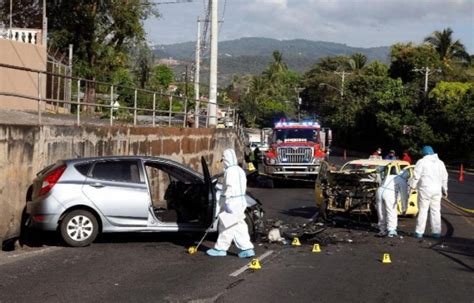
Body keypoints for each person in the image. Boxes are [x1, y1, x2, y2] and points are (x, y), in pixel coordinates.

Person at [207, 149, 255, 258]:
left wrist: (227, 202)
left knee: (226, 225)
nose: (223, 161)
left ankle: (220, 248)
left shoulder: (229, 172)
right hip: (241, 201)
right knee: (239, 225)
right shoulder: (240, 170)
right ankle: (247, 248)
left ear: (226, 159)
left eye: (224, 159)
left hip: (232, 202)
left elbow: (230, 188)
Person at [409, 146, 448, 239]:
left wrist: (412, 186)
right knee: (436, 211)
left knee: (423, 210)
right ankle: (436, 232)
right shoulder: (440, 163)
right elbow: (444, 177)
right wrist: (445, 190)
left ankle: (419, 232)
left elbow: (416, 176)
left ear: (424, 153)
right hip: (437, 190)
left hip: (425, 189)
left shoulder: (421, 162)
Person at [375, 170, 409, 237]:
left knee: (381, 212)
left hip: (379, 191)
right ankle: (391, 230)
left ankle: (382, 229)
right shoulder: (402, 181)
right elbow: (404, 196)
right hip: (389, 194)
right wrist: (404, 208)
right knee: (391, 212)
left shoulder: (389, 176)